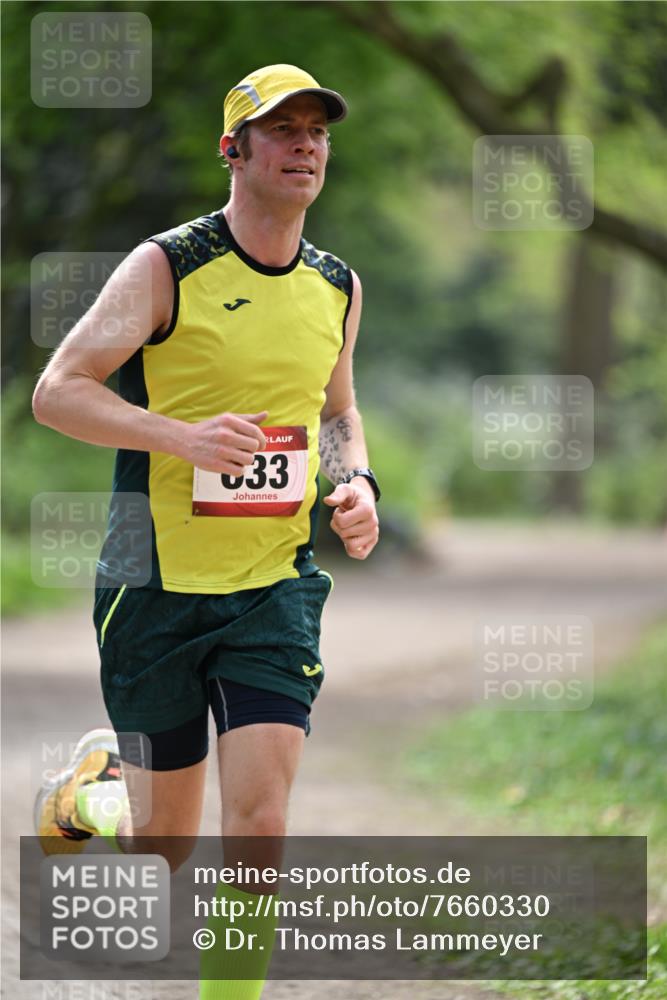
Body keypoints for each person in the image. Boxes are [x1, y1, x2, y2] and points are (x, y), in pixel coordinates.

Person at [32, 64, 380, 995]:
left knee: (259, 824)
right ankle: (95, 795)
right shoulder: (166, 265)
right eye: (282, 129)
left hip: (272, 583)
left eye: (317, 131)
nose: (304, 144)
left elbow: (337, 411)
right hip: (153, 584)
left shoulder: (336, 286)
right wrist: (178, 437)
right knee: (165, 846)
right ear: (235, 149)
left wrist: (356, 483)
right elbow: (56, 392)